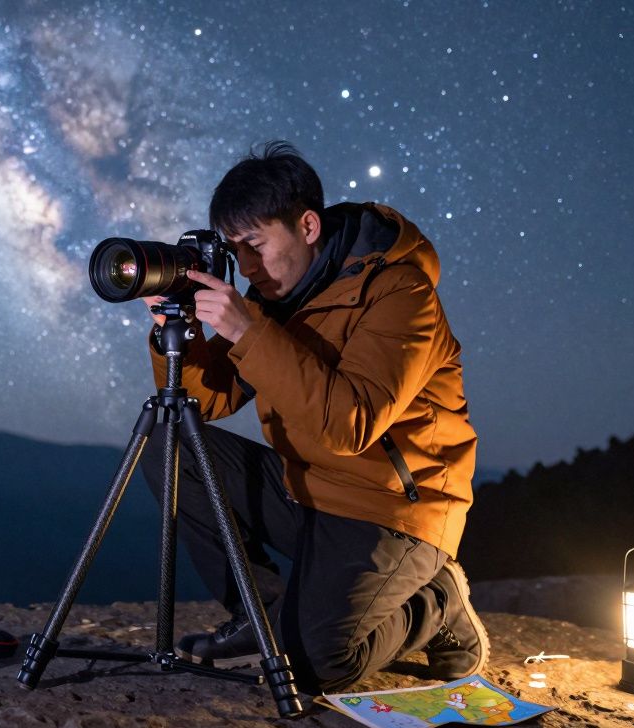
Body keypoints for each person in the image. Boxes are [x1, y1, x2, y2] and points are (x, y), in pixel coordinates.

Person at [140, 140, 483, 695]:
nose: (246, 266)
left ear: (306, 226)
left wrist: (250, 331)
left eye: (254, 244)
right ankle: (263, 613)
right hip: (307, 491)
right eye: (234, 249)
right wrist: (173, 335)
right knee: (169, 443)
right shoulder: (272, 298)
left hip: (394, 507)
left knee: (320, 664)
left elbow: (351, 423)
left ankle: (438, 604)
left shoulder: (400, 291)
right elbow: (211, 401)